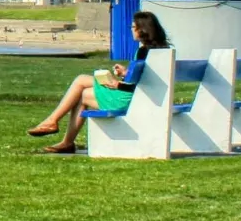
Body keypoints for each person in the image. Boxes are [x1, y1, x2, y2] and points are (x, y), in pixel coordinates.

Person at [27, 9, 170, 154]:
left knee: (81, 82)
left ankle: (55, 125)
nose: (131, 30)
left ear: (143, 30)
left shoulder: (144, 51)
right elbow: (147, 81)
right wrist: (126, 73)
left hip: (130, 99)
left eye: (133, 27)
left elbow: (139, 85)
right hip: (146, 97)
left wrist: (117, 84)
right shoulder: (162, 50)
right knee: (83, 91)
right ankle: (62, 135)